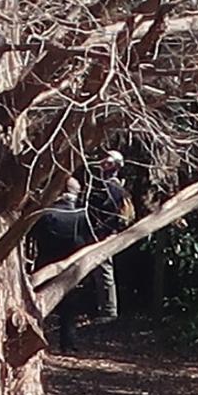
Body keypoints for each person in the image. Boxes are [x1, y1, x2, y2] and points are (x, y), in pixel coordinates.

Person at [31, 178, 95, 352]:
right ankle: (68, 344)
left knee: (38, 303)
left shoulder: (45, 213)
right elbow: (87, 241)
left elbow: (34, 236)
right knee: (69, 306)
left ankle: (34, 341)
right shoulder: (81, 214)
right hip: (71, 266)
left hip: (45, 263)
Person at [87, 149, 133, 322]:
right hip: (106, 233)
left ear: (114, 165)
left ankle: (109, 312)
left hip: (103, 234)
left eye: (106, 161)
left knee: (104, 272)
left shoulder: (110, 187)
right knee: (100, 272)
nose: (101, 163)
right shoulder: (115, 186)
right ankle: (103, 309)